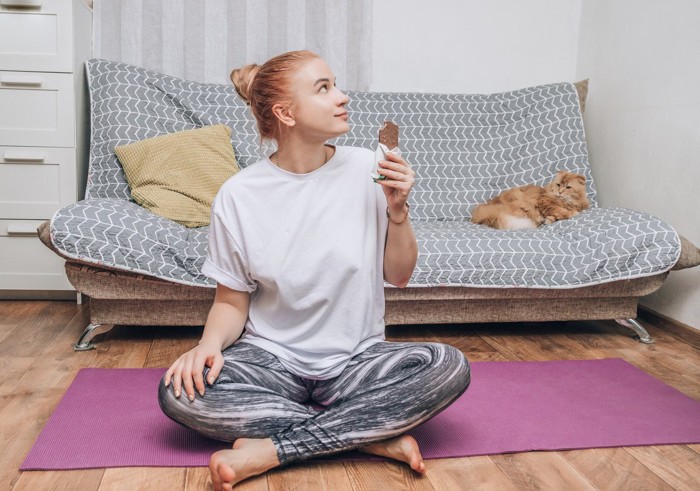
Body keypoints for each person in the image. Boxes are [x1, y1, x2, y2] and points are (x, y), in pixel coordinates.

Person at [158, 50, 471, 490]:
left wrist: (398, 212)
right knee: (179, 391)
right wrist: (207, 346)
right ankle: (366, 437)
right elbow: (231, 299)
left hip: (356, 361)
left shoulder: (370, 169)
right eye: (324, 88)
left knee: (447, 365)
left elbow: (399, 276)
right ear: (285, 112)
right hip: (271, 360)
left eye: (336, 84)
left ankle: (273, 450)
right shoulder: (238, 195)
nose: (342, 97)